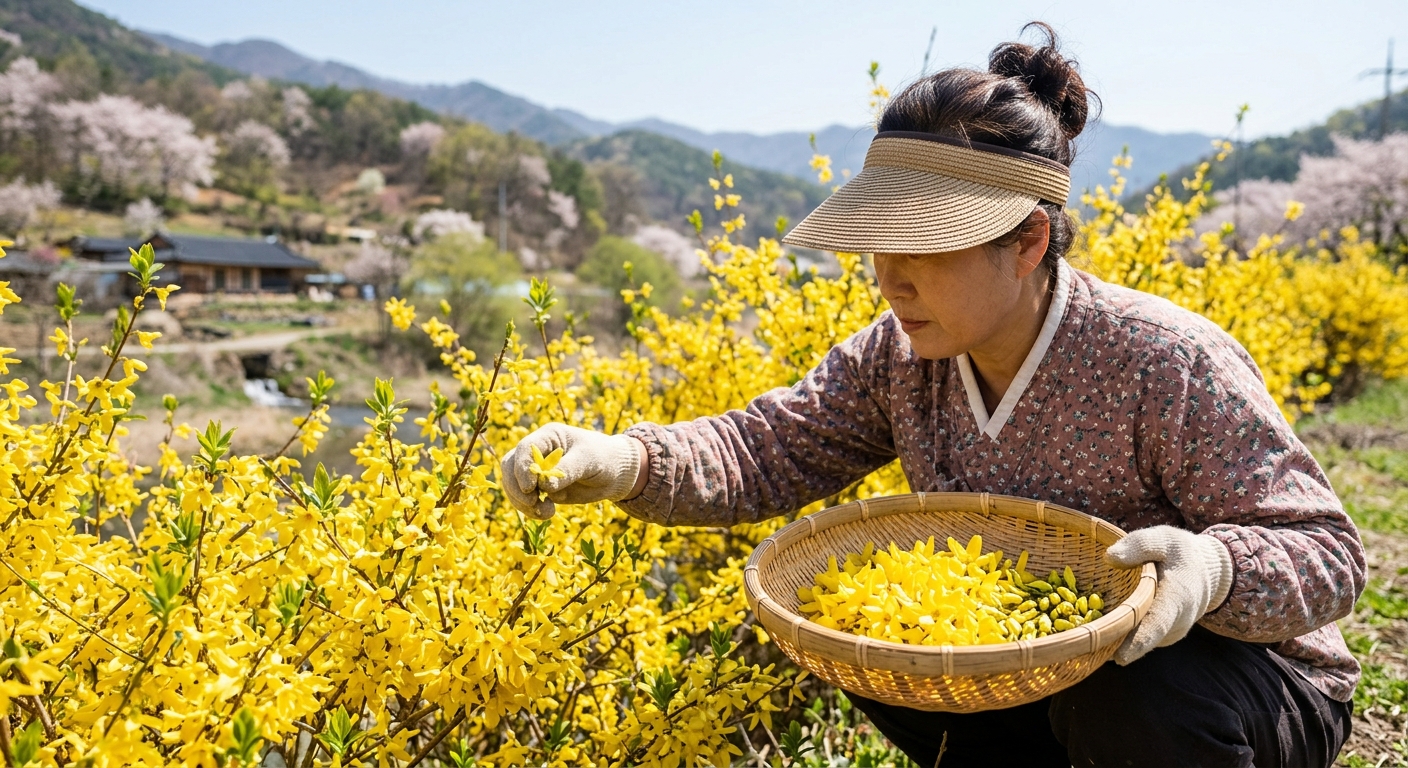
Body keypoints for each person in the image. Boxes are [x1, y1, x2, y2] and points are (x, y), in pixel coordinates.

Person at [501, 23, 1364, 768]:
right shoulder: (900, 357)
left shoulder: (1163, 361)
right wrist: (622, 460)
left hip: (1241, 686)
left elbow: (1327, 553)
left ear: (1026, 240)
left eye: (922, 246)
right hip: (1043, 679)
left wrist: (1211, 569)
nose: (889, 281)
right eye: (878, 246)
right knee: (887, 637)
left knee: (1133, 696)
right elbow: (769, 447)